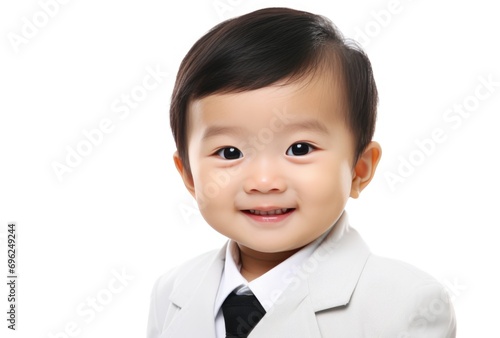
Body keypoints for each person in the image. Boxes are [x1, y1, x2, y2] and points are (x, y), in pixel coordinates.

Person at [147, 7, 456, 338]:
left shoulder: (406, 303)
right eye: (229, 153)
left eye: (300, 149)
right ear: (190, 177)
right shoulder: (171, 291)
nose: (264, 182)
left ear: (359, 170)